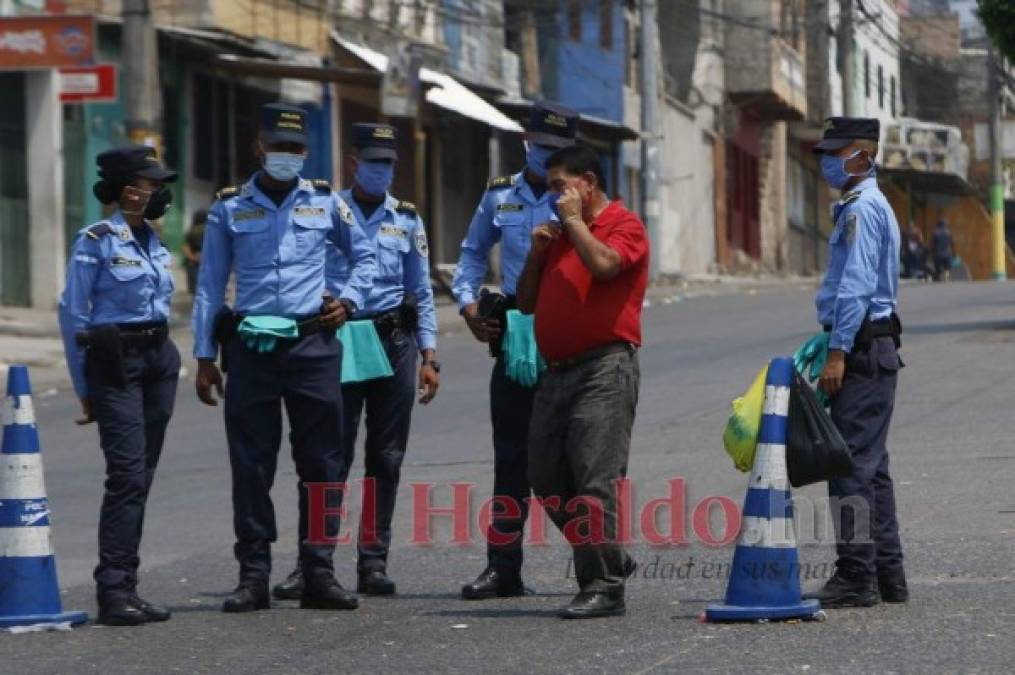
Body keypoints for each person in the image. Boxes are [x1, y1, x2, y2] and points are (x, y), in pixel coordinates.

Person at [192, 103, 378, 613]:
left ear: (306, 152)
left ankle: (319, 570)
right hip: (251, 347)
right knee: (251, 464)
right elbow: (209, 287)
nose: (286, 156)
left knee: (322, 463)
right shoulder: (229, 208)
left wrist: (350, 299)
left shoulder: (325, 202)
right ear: (259, 147)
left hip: (312, 344)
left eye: (295, 149)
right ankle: (253, 575)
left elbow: (364, 255)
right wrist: (205, 356)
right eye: (277, 147)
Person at [272, 123, 439, 601]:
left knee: (385, 458)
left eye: (388, 162)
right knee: (328, 457)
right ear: (353, 161)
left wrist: (430, 355)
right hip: (338, 339)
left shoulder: (406, 218)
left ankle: (373, 561)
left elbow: (421, 289)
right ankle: (312, 564)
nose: (380, 170)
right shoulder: (325, 208)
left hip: (392, 342)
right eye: (372, 161)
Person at [451, 101, 579, 600]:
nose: (545, 158)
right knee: (511, 458)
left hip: (566, 334)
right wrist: (466, 304)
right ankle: (503, 566)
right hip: (514, 335)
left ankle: (599, 560)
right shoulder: (499, 196)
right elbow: (470, 253)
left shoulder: (579, 198)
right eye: (539, 146)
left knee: (572, 459)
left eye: (556, 150)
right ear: (526, 140)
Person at [516, 145, 648, 619]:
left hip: (604, 370)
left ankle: (605, 585)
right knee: (546, 478)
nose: (553, 196)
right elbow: (526, 303)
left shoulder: (623, 225)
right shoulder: (558, 236)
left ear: (587, 183)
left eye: (559, 186)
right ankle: (608, 555)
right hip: (556, 372)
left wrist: (574, 223)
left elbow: (607, 266)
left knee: (594, 481)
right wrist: (536, 255)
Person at [58, 145, 180, 626]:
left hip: (158, 359)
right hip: (115, 360)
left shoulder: (154, 241)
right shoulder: (96, 240)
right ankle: (112, 591)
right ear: (127, 190)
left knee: (142, 477)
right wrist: (83, 385)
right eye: (149, 184)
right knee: (126, 476)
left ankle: (128, 585)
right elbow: (73, 314)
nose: (156, 192)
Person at [805, 117, 906, 608]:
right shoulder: (863, 204)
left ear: (862, 156)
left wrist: (838, 352)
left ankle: (857, 576)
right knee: (872, 469)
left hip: (862, 349)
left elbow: (857, 286)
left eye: (836, 152)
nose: (827, 162)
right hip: (875, 348)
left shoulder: (861, 209)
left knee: (849, 468)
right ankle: (888, 574)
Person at [181, 209, 206, 295]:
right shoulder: (210, 231)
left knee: (195, 290)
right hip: (202, 264)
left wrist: (192, 257)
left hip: (193, 264)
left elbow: (184, 247)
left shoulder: (192, 231)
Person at [932, 218, 954, 282]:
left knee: (938, 269)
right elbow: (952, 243)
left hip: (938, 254)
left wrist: (932, 253)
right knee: (947, 268)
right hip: (947, 254)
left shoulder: (935, 233)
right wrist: (954, 253)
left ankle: (939, 278)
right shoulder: (949, 233)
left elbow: (933, 244)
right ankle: (946, 278)